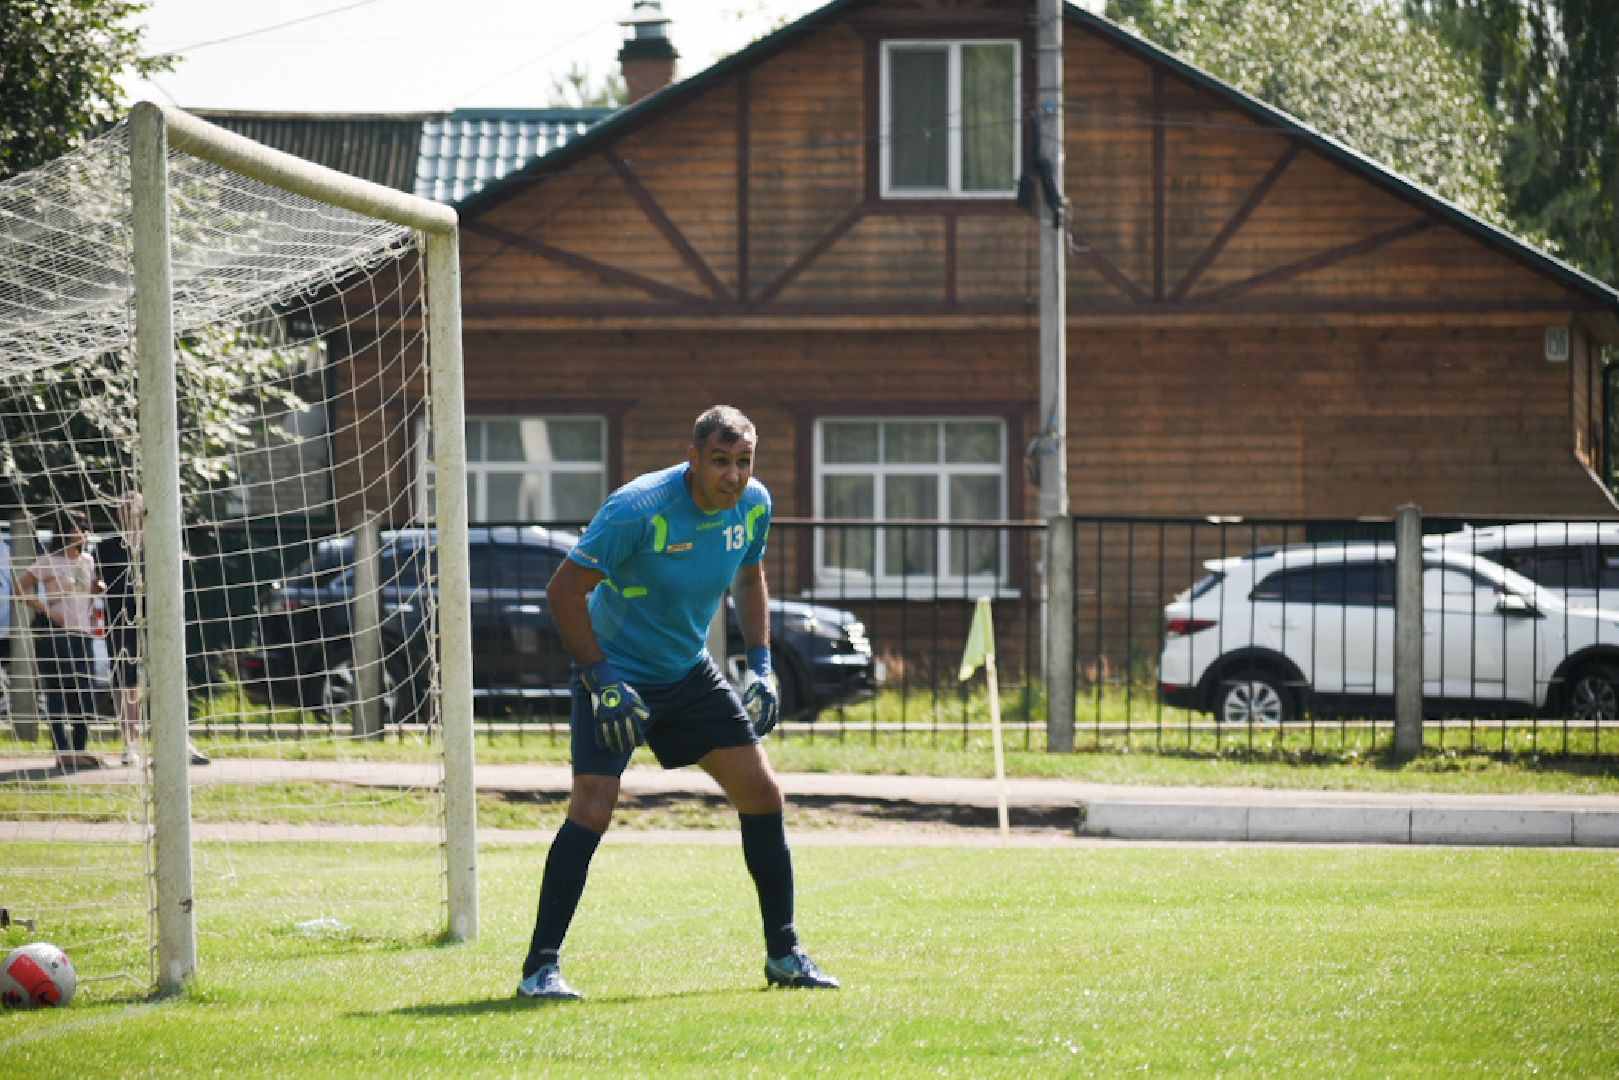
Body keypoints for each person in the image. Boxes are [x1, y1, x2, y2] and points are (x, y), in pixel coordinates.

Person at [517, 405, 838, 1000]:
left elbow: (749, 577)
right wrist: (602, 677)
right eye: (721, 462)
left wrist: (762, 667)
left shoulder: (754, 505)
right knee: (592, 806)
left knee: (763, 793)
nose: (734, 477)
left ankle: (784, 955)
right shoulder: (636, 508)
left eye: (744, 462)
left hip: (688, 672)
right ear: (692, 459)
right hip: (616, 670)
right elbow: (564, 589)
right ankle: (540, 968)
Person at [95, 494, 209, 769]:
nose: (129, 513)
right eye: (124, 508)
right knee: (126, 682)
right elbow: (95, 580)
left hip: (158, 619)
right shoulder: (107, 547)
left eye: (134, 508)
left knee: (166, 678)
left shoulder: (160, 542)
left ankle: (177, 740)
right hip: (121, 619)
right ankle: (130, 744)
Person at [16, 509, 103, 771]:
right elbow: (20, 588)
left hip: (83, 632)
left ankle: (80, 749)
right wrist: (46, 609)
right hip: (57, 632)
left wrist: (99, 587)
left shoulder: (88, 561)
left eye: (85, 528)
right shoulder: (49, 561)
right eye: (78, 528)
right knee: (59, 689)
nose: (83, 533)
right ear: (66, 532)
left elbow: (90, 589)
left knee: (83, 691)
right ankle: (62, 750)